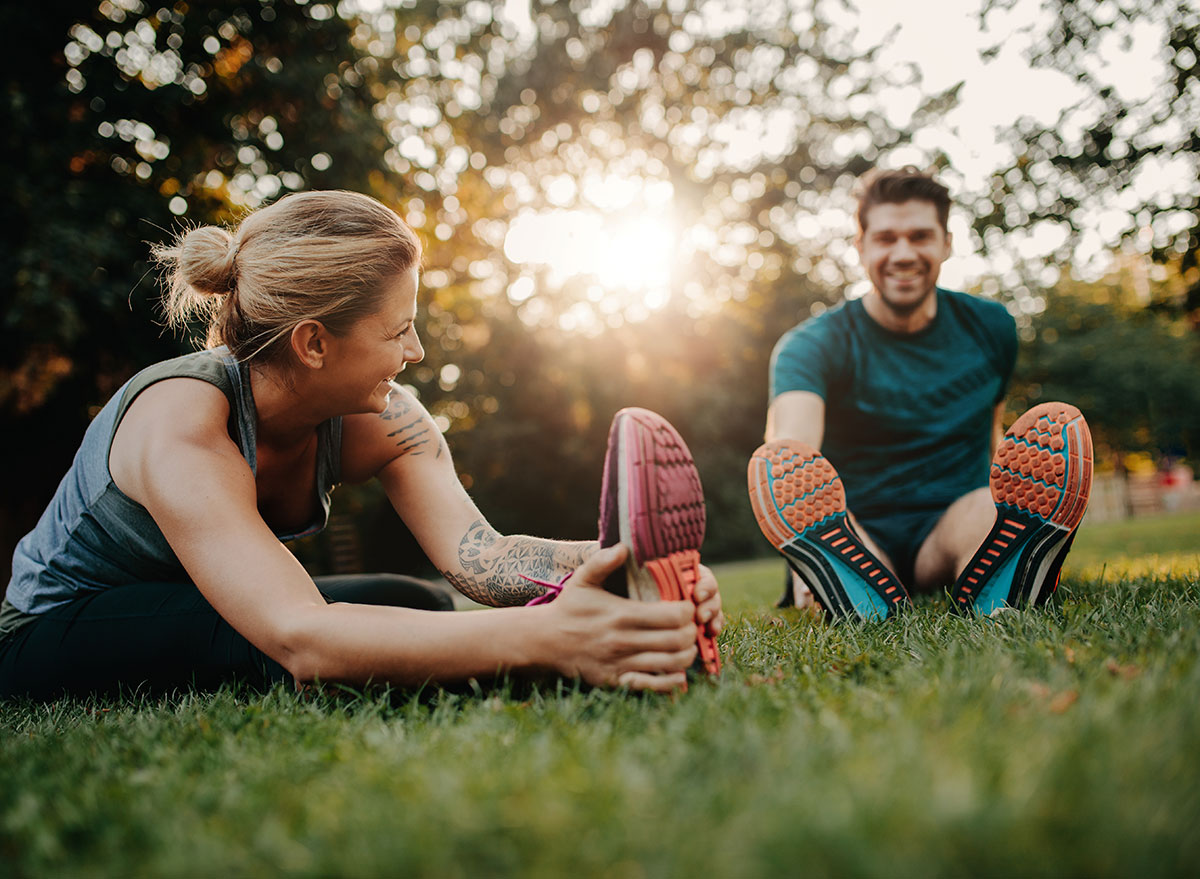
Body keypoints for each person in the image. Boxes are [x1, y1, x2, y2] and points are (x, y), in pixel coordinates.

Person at [0, 190, 723, 700]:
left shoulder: (384, 417)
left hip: (199, 605)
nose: (414, 350)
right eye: (396, 329)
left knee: (417, 605)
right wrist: (551, 640)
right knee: (264, 646)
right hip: (54, 627)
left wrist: (625, 568)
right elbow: (303, 633)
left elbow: (486, 558)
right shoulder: (183, 421)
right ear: (314, 341)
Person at [747, 167, 1093, 619]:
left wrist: (1008, 495)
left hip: (951, 523)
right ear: (861, 247)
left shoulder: (992, 328)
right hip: (857, 526)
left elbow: (991, 432)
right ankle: (830, 573)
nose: (903, 253)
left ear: (947, 243)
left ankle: (1009, 570)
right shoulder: (812, 344)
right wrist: (795, 546)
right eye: (887, 238)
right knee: (837, 530)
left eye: (920, 236)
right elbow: (791, 454)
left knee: (986, 513)